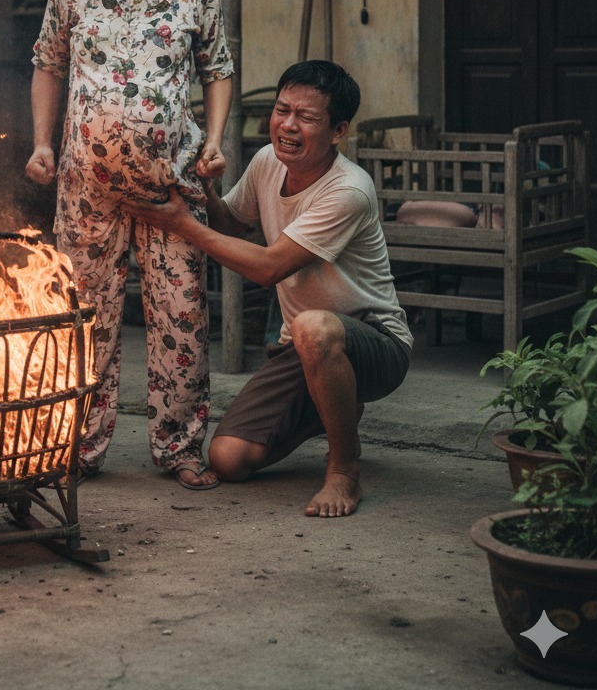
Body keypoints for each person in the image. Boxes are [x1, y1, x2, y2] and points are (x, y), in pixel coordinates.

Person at [25, 0, 234, 489]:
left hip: (171, 185)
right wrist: (41, 143)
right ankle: (77, 447)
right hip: (87, 189)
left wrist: (216, 141)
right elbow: (48, 65)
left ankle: (179, 447)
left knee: (180, 315)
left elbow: (217, 69)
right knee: (84, 315)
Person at [128, 60, 412, 516]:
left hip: (375, 340)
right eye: (282, 111)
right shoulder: (266, 162)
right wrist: (204, 186)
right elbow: (230, 224)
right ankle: (333, 404)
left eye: (307, 117)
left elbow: (268, 268)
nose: (288, 125)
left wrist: (183, 225)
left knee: (314, 327)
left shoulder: (349, 190)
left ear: (337, 130)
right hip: (301, 347)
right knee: (229, 460)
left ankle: (344, 468)